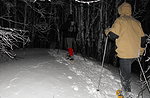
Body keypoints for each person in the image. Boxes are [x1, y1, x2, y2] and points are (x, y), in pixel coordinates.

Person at [104, 2, 146, 97]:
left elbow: (113, 36)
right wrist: (141, 52)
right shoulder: (137, 22)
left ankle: (126, 93)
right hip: (135, 53)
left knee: (125, 74)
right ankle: (126, 90)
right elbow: (143, 39)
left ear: (120, 10)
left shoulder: (120, 20)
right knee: (126, 72)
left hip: (125, 53)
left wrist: (107, 31)